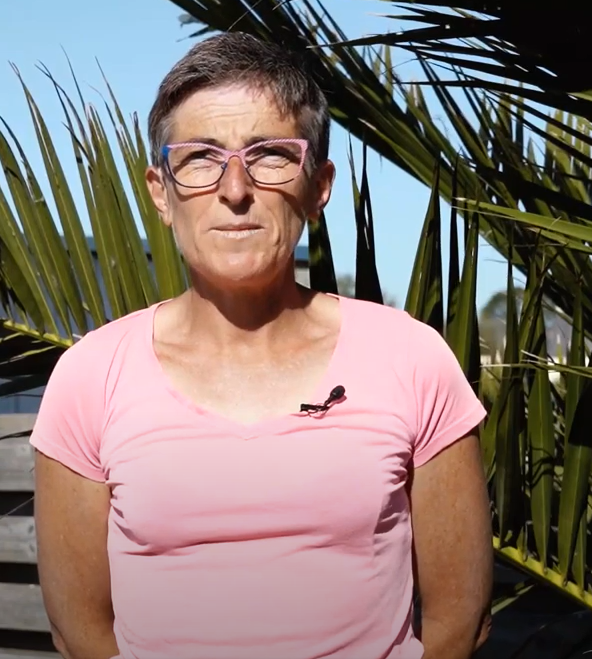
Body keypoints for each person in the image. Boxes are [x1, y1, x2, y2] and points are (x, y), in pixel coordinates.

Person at [29, 32, 493, 659]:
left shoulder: (412, 360)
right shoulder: (90, 377)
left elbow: (459, 623)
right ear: (161, 193)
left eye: (269, 154)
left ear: (318, 185)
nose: (235, 189)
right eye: (200, 158)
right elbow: (79, 632)